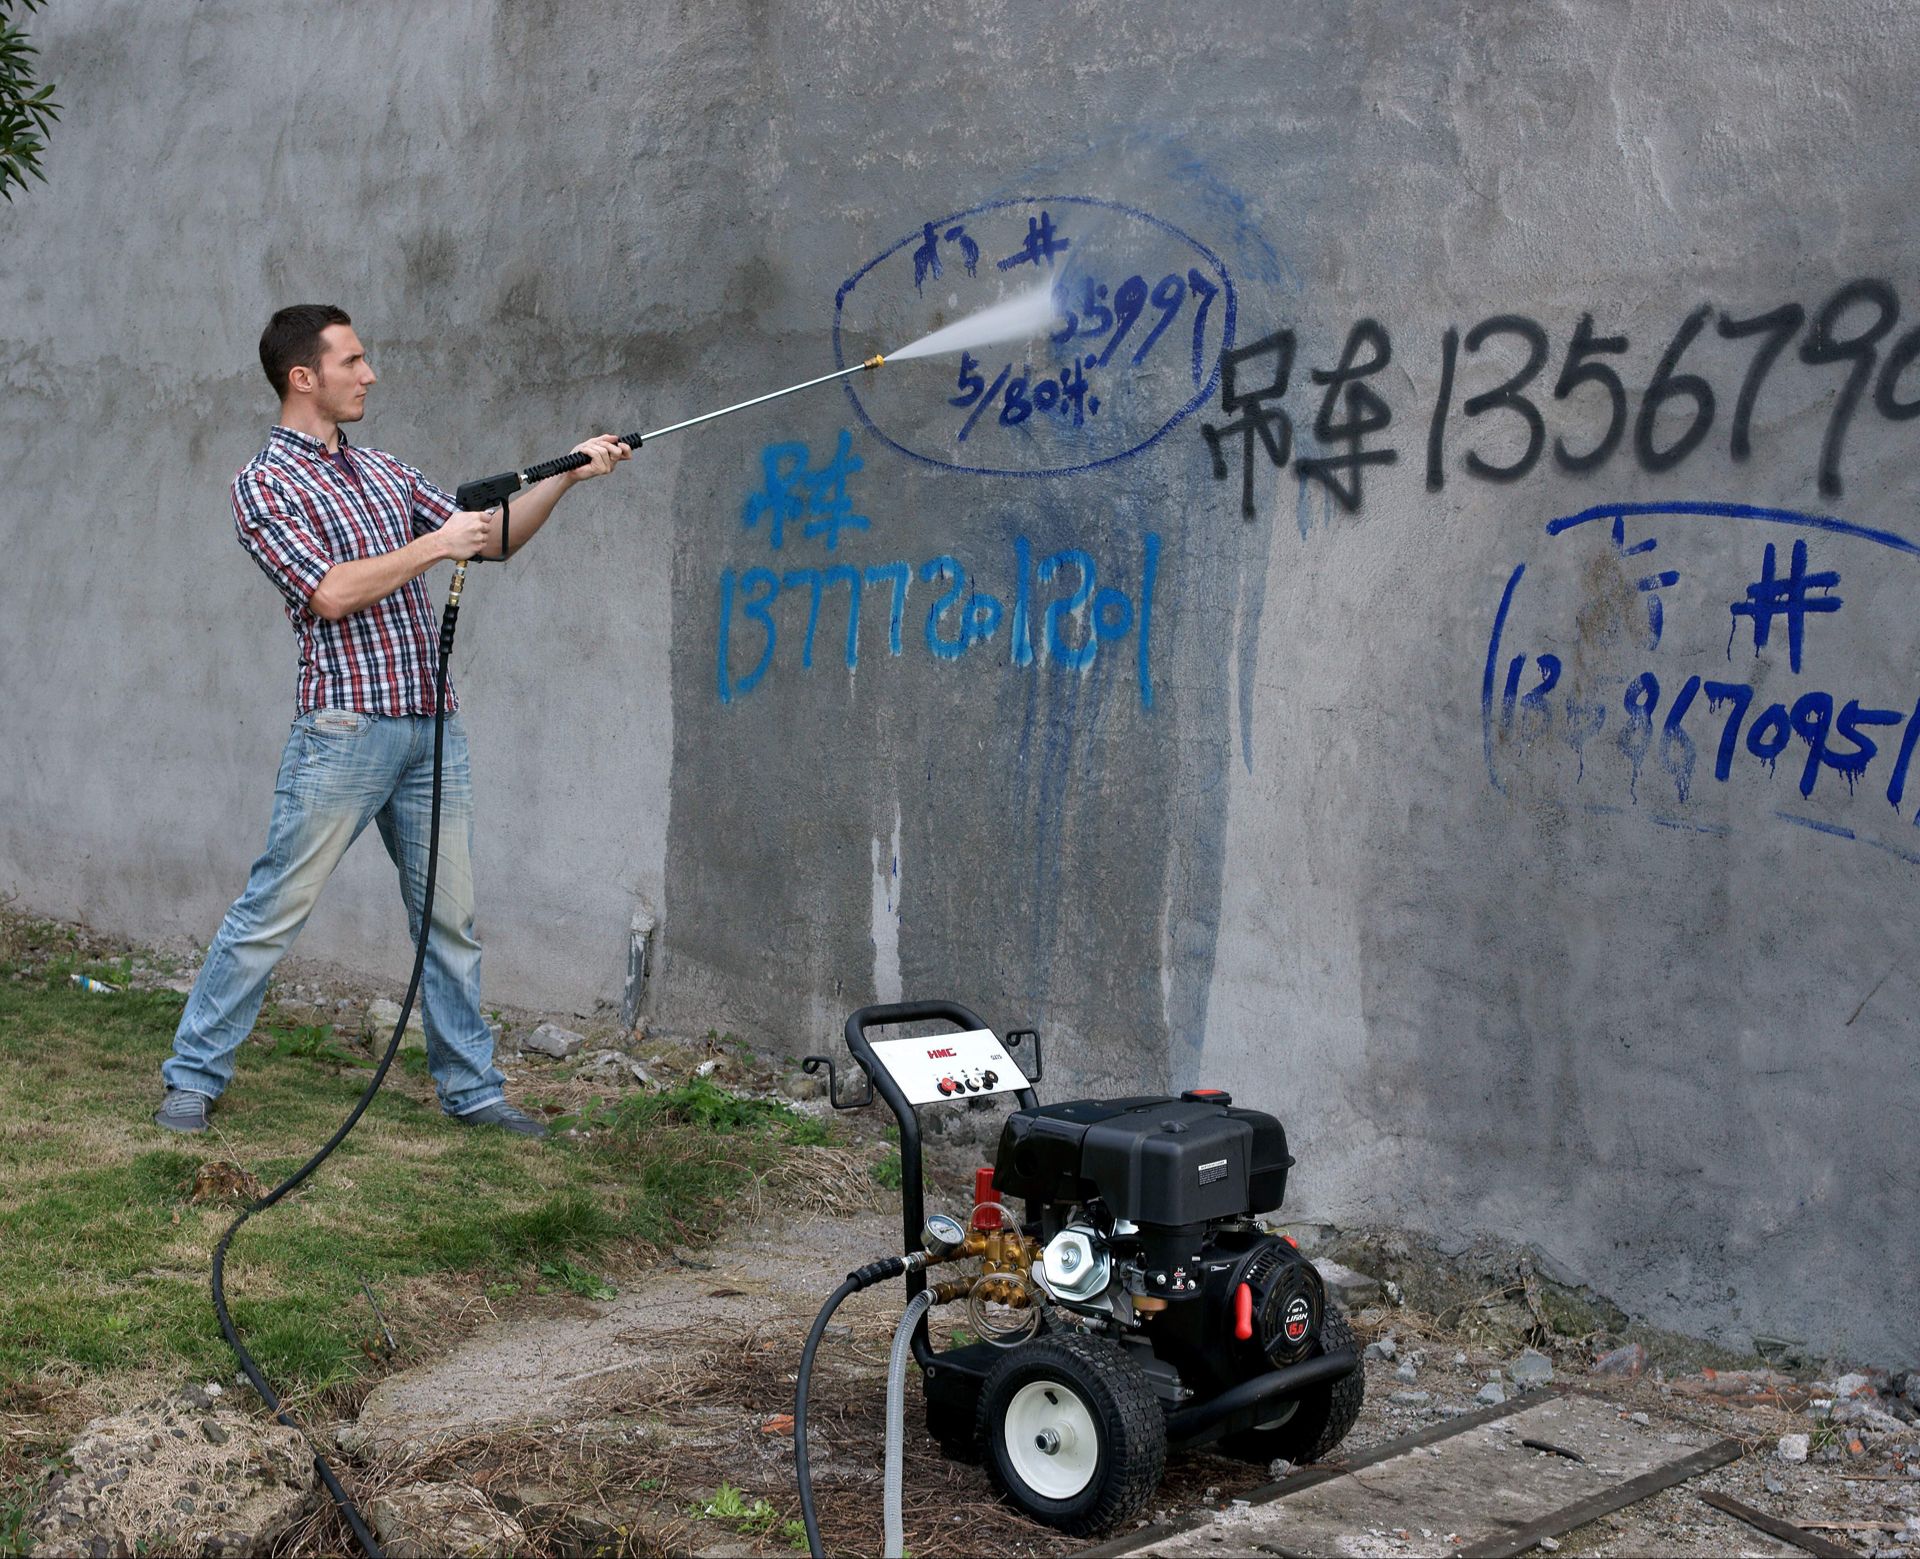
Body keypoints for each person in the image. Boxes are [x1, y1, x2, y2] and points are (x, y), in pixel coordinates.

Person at [155, 304, 629, 1138]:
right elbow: (330, 591)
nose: (369, 374)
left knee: (450, 920)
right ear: (304, 377)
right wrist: (433, 545)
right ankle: (192, 1078)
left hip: (430, 730)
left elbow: (487, 540)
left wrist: (569, 474)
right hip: (343, 730)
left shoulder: (382, 470)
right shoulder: (265, 484)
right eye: (353, 361)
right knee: (273, 911)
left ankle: (473, 1090)